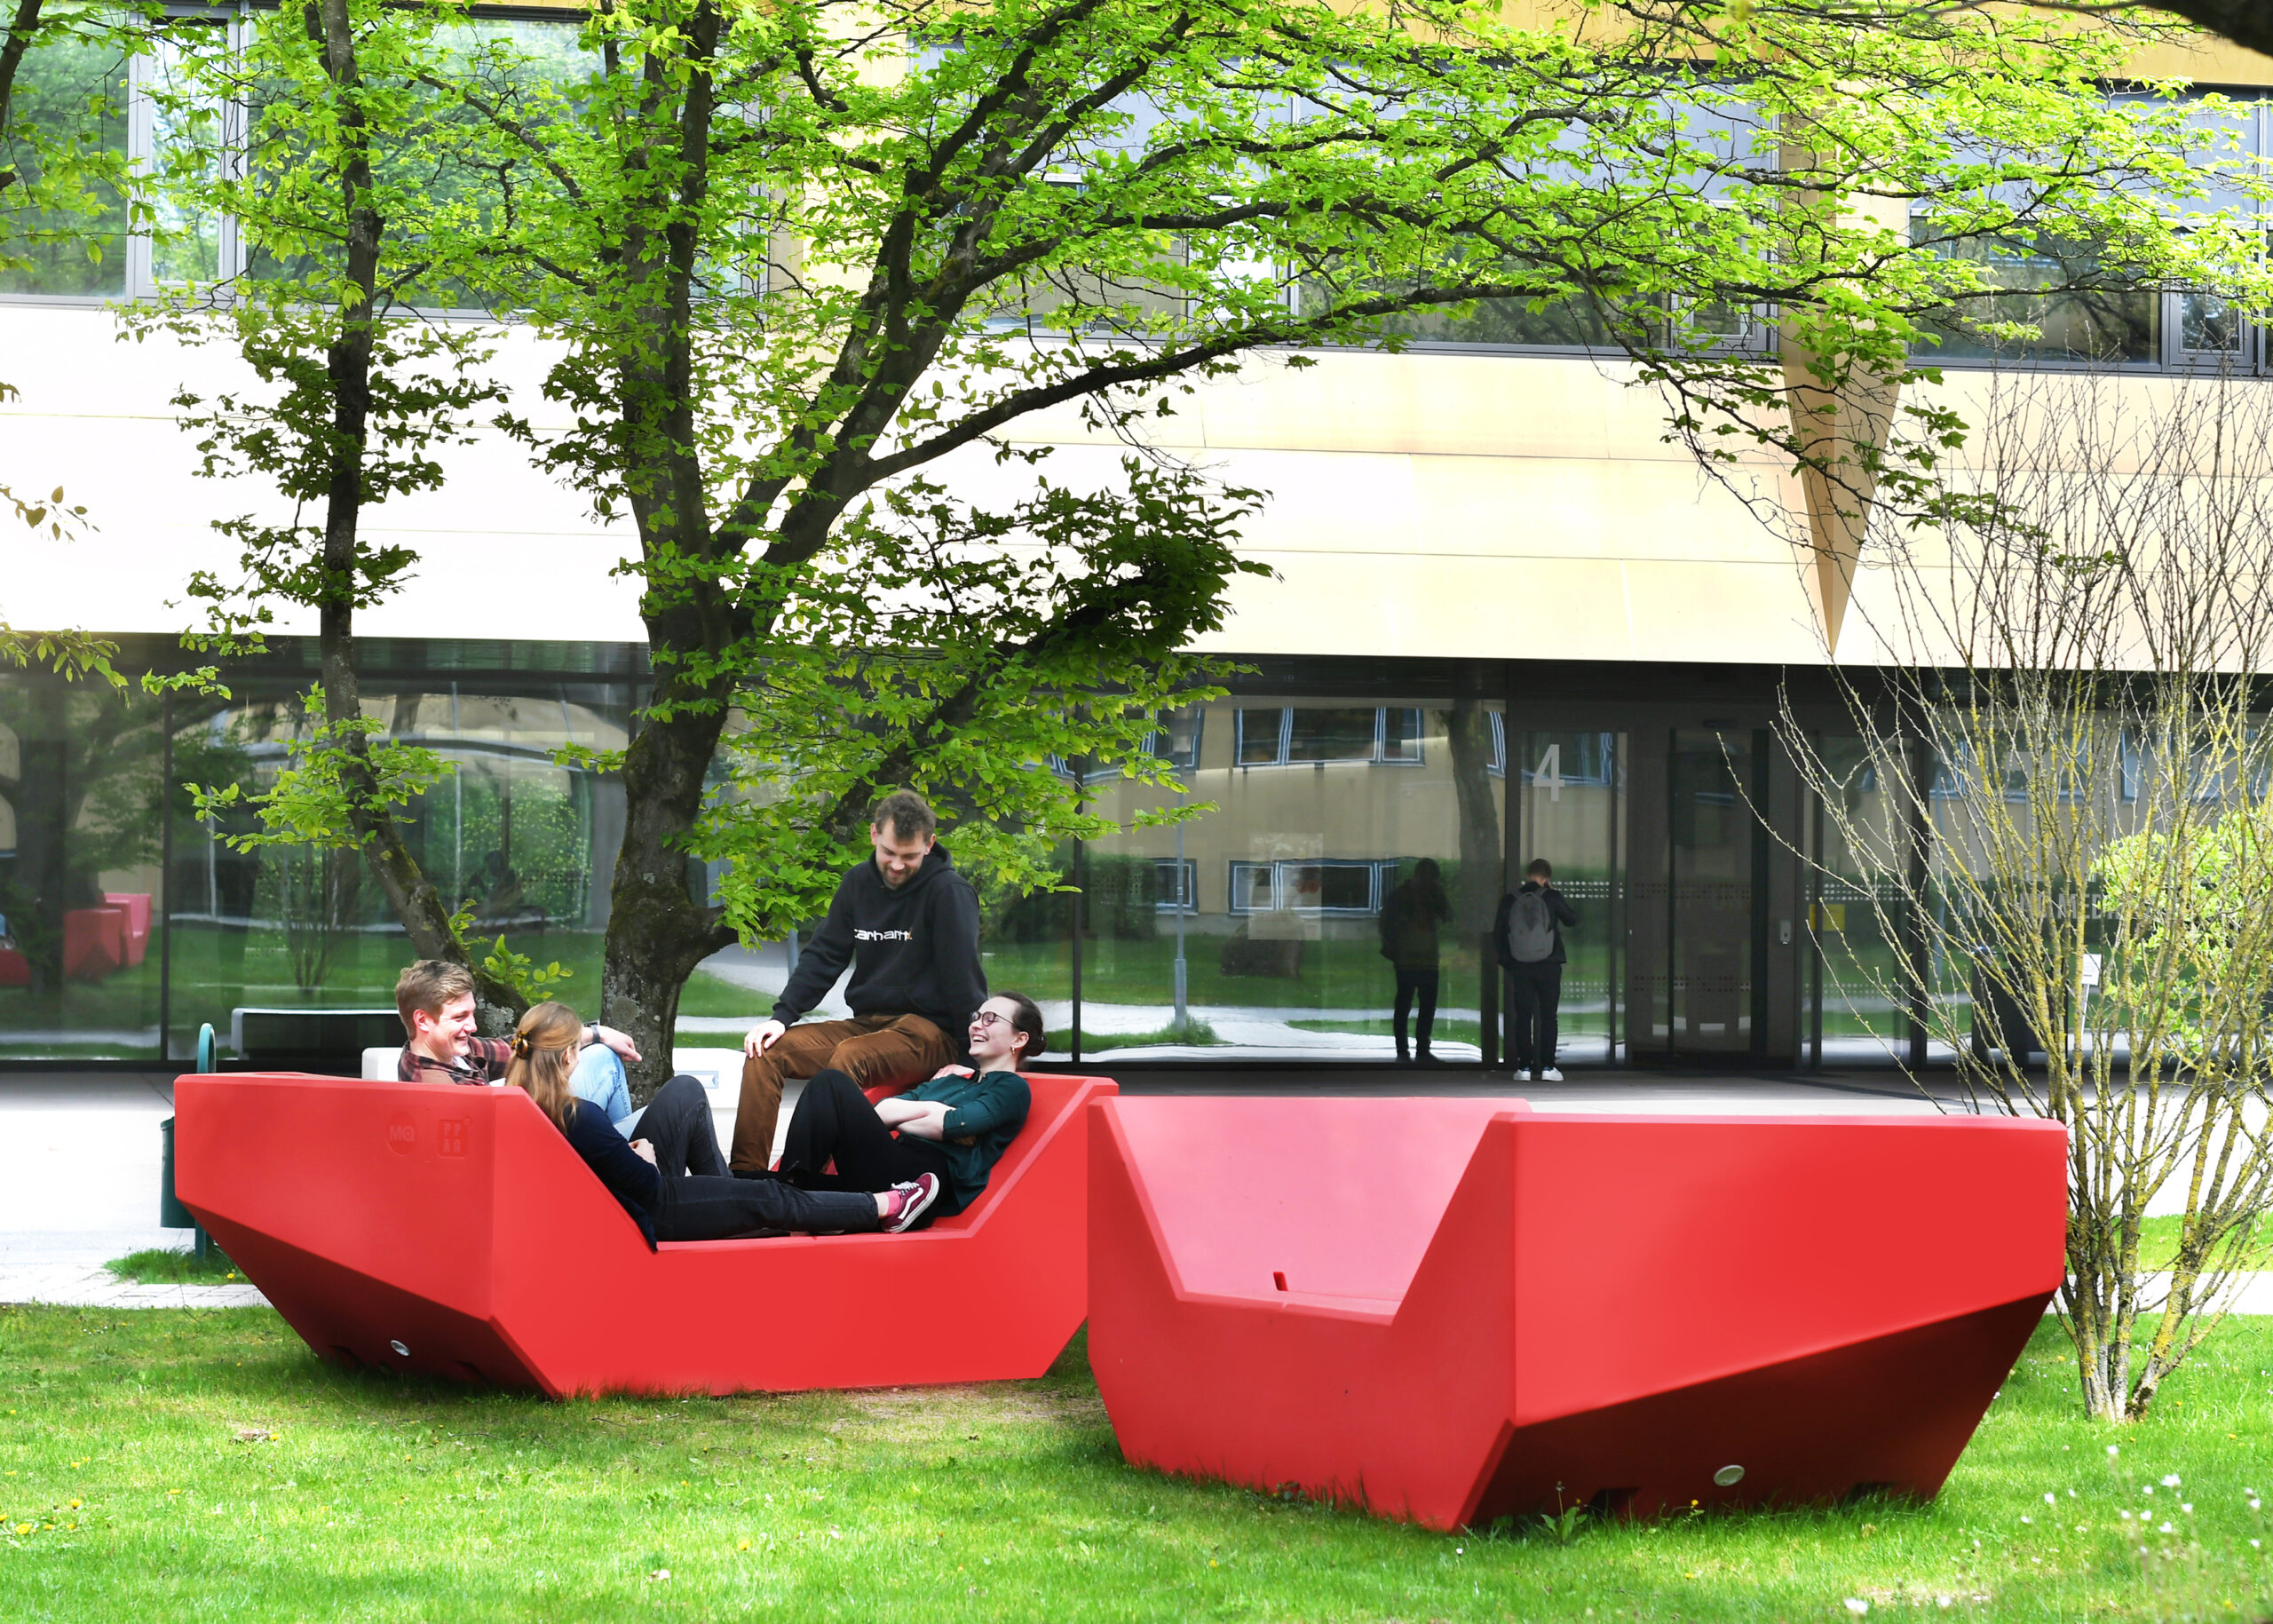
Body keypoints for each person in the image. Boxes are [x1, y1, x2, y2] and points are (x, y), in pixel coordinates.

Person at [506, 1002, 939, 1245]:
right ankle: (886, 1206)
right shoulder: (580, 1116)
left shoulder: (517, 1105)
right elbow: (649, 1184)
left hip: (620, 1203)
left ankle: (742, 1199)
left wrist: (627, 1155)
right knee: (768, 1198)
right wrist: (647, 1154)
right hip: (655, 1210)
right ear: (567, 1057)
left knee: (691, 1099)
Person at [727, 790, 986, 1173]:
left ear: (930, 845)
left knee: (851, 1055)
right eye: (889, 853)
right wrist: (782, 1017)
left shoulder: (949, 893)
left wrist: (969, 1059)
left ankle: (798, 1180)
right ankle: (746, 1181)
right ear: (873, 835)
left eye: (910, 856)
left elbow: (964, 980)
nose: (897, 865)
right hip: (869, 1024)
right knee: (766, 1053)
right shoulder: (857, 883)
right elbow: (825, 954)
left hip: (930, 1034)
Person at [764, 992, 1042, 1228]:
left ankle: (794, 1187)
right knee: (752, 1185)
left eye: (991, 1019)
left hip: (922, 1182)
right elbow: (882, 1113)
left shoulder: (1010, 1089)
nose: (977, 1025)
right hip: (889, 1164)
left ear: (1018, 1040)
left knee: (832, 1082)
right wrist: (932, 1109)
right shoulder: (951, 1080)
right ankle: (794, 1185)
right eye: (977, 1017)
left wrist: (914, 1118)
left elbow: (954, 1124)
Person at [395, 960, 644, 1126]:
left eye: (471, 1014)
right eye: (460, 1017)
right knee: (676, 1110)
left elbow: (517, 1047)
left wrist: (596, 1033)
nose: (472, 1027)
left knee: (602, 1055)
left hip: (530, 1129)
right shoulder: (443, 1088)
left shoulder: (448, 1051)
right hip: (545, 1152)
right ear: (423, 1020)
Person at [1496, 859, 1580, 1082]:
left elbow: (1499, 934)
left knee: (1523, 1016)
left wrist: (1511, 963)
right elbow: (1572, 920)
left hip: (1521, 966)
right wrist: (1553, 894)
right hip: (1549, 965)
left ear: (1528, 874)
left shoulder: (1511, 899)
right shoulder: (1551, 897)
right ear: (1547, 877)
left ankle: (1524, 1067)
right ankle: (1548, 1067)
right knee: (1548, 1015)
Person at [1378, 859, 1452, 1065]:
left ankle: (1412, 1051)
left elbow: (1448, 915)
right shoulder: (1405, 896)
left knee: (1411, 1004)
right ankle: (1413, 1051)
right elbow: (1448, 916)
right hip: (1414, 958)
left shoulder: (1404, 894)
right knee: (1413, 1004)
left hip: (1415, 958)